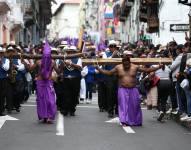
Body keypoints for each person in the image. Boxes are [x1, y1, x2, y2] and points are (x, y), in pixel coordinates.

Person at [96, 53, 163, 126]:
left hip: (133, 89)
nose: (126, 66)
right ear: (122, 63)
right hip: (122, 89)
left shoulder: (135, 67)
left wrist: (158, 67)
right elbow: (109, 73)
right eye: (125, 64)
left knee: (135, 106)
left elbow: (147, 70)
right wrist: (99, 69)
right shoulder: (118, 67)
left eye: (127, 64)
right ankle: (124, 121)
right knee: (123, 105)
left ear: (130, 62)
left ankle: (136, 121)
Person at [23, 41, 58, 123]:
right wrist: (24, 62)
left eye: (48, 53)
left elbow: (58, 71)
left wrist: (62, 66)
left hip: (49, 82)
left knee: (50, 100)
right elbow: (29, 69)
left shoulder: (53, 62)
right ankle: (44, 116)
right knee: (41, 100)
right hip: (40, 83)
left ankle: (49, 116)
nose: (46, 55)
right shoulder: (38, 62)